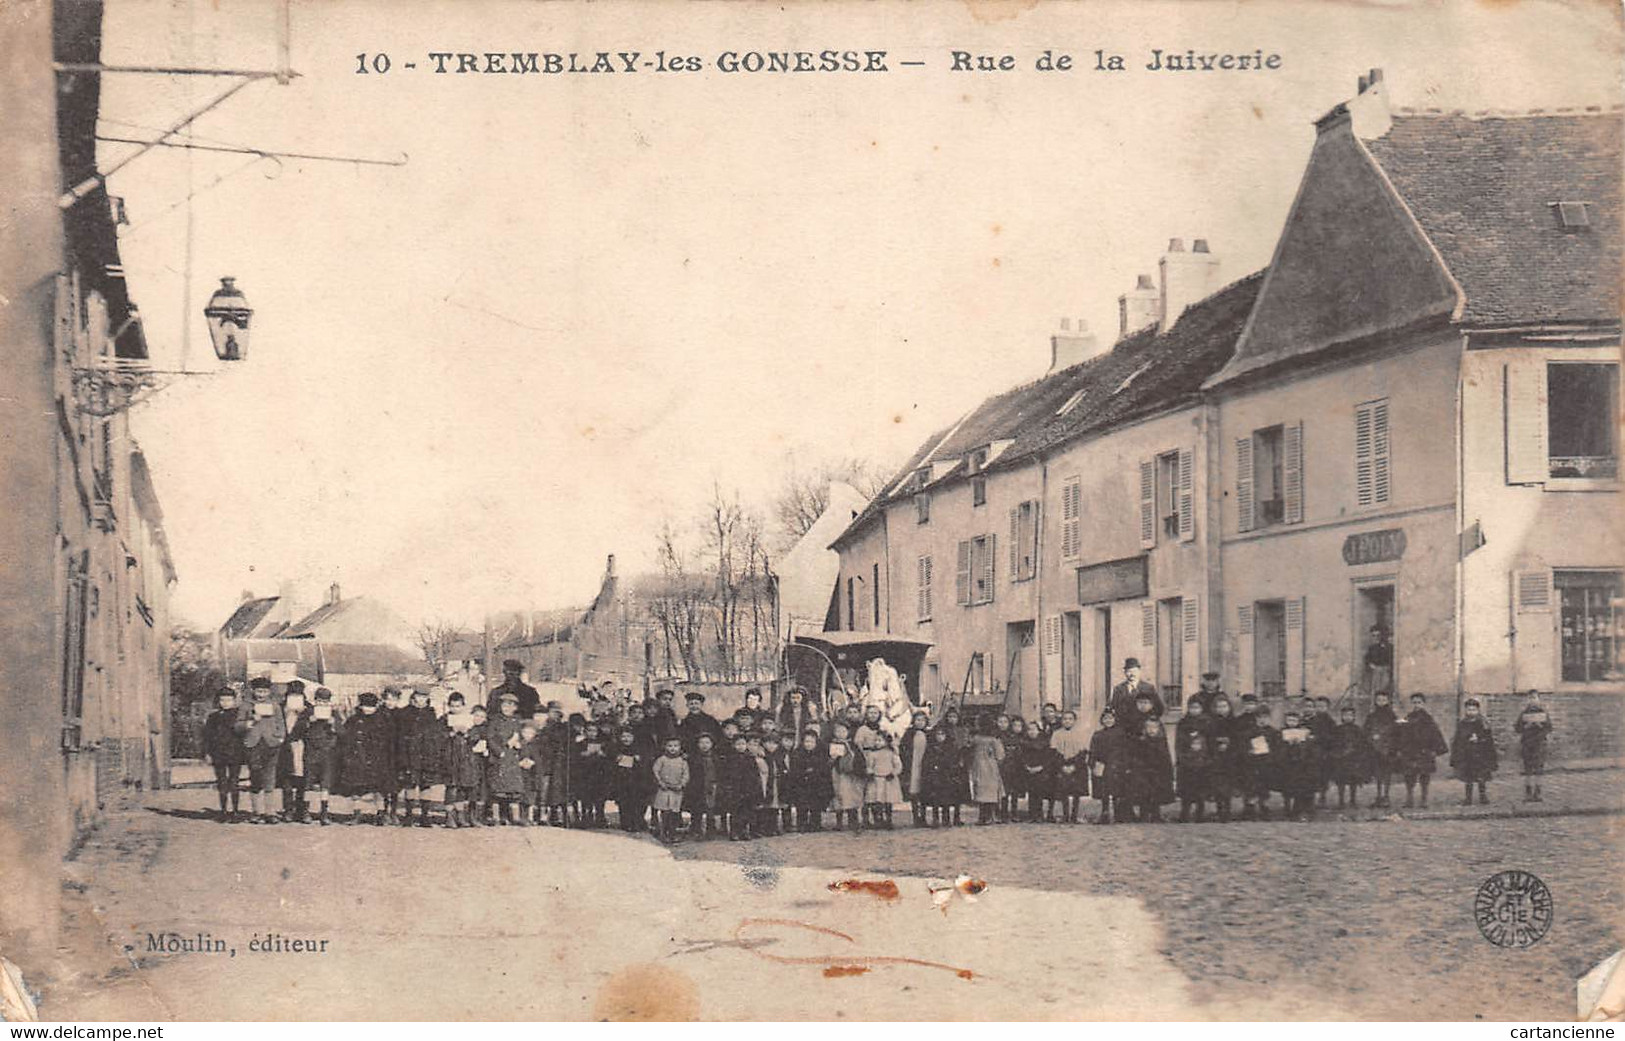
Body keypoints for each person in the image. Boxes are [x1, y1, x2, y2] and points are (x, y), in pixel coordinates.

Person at [336, 692, 394, 825]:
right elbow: (346, 738)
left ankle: (381, 814)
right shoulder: (354, 720)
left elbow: (388, 740)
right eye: (365, 706)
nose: (368, 709)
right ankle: (357, 814)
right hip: (357, 758)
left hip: (377, 759)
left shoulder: (382, 720)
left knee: (379, 788)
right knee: (357, 788)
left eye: (371, 706)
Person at [237, 678, 287, 824]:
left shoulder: (274, 705)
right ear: (253, 691)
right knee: (256, 776)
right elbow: (238, 726)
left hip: (271, 744)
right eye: (259, 691)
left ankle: (269, 812)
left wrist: (280, 738)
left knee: (270, 777)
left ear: (269, 692)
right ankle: (256, 812)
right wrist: (251, 721)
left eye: (265, 691)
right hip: (254, 744)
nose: (261, 694)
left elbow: (280, 723)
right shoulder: (246, 706)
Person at [397, 686, 444, 827]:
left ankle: (425, 815)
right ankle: (409, 815)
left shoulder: (431, 713)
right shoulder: (405, 713)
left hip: (427, 753)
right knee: (410, 784)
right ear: (413, 696)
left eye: (424, 697)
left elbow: (435, 734)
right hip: (410, 753)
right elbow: (401, 735)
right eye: (419, 696)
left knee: (426, 785)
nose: (421, 699)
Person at [1395, 693, 1449, 808]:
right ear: (1411, 704)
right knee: (1409, 776)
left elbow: (1435, 734)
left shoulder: (1428, 719)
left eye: (1419, 702)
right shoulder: (1408, 718)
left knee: (1424, 776)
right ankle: (1409, 799)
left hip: (1425, 751)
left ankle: (1424, 800)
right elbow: (1402, 735)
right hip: (1411, 752)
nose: (1417, 705)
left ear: (1423, 704)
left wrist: (1436, 749)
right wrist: (1400, 748)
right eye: (1414, 703)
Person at [202, 687, 248, 821]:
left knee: (234, 781)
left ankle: (235, 811)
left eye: (229, 700)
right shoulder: (213, 717)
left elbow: (243, 733)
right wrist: (207, 753)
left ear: (234, 701)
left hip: (235, 752)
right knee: (221, 781)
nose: (225, 703)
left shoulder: (239, 715)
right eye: (222, 700)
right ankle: (223, 811)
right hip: (218, 753)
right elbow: (207, 736)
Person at [485, 691, 528, 825]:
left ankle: (514, 817)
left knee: (513, 789)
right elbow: (490, 738)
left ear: (515, 707)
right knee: (498, 790)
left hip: (512, 758)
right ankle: (496, 816)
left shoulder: (517, 721)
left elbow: (522, 736)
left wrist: (519, 743)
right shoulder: (495, 721)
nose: (507, 708)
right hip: (500, 758)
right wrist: (499, 751)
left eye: (511, 706)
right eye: (505, 705)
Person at [1274, 709, 1324, 821]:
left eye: (1294, 720)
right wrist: (1288, 745)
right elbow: (1278, 751)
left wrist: (1301, 744)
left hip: (1302, 765)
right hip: (1287, 765)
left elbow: (1310, 750)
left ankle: (1304, 808)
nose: (1292, 723)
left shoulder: (1304, 732)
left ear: (1298, 721)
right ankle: (1291, 808)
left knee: (1306, 779)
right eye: (1289, 720)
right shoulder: (1281, 733)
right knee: (1290, 780)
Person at [441, 693, 481, 828]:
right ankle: (449, 817)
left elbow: (476, 737)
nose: (455, 709)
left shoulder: (469, 720)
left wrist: (467, 733)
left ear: (463, 706)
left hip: (465, 759)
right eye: (452, 706)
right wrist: (451, 733)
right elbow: (438, 737)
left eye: (458, 706)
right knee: (451, 788)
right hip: (451, 758)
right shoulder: (444, 719)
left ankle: (460, 816)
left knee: (462, 789)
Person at [303, 687, 342, 826]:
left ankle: (324, 813)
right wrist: (309, 721)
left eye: (325, 702)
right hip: (311, 751)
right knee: (308, 782)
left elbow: (342, 732)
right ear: (315, 701)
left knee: (325, 783)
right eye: (319, 701)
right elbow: (299, 729)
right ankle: (306, 812)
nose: (322, 704)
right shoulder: (308, 712)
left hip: (327, 752)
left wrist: (333, 725)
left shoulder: (334, 713)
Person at [1450, 697, 1498, 806]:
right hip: (1467, 755)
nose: (1471, 712)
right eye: (1469, 710)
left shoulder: (1483, 723)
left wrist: (1479, 739)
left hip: (1481, 754)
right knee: (1468, 778)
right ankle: (1468, 798)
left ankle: (1483, 796)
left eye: (1473, 710)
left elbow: (1489, 739)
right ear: (1465, 711)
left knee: (1481, 777)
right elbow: (1458, 739)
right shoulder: (1462, 724)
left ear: (1478, 710)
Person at [1125, 716, 1175, 822]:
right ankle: (1144, 815)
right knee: (1144, 794)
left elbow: (1165, 757)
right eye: (1149, 727)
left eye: (1154, 728)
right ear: (1145, 729)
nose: (1151, 730)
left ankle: (1156, 815)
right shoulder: (1141, 742)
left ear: (1159, 729)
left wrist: (1167, 771)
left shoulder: (1161, 742)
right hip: (1144, 772)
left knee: (1156, 793)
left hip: (1157, 772)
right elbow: (1136, 756)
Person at [1326, 703, 1374, 809]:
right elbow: (1333, 743)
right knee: (1340, 780)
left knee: (1353, 780)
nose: (1348, 717)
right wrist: (1339, 753)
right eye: (1345, 715)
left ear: (1354, 717)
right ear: (1342, 717)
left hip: (1353, 760)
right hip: (1341, 759)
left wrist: (1356, 752)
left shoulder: (1357, 730)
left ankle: (1352, 800)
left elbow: (1362, 744)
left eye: (1350, 715)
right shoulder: (1337, 730)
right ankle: (1341, 801)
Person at [276, 682, 311, 823]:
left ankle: (303, 809)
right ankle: (288, 809)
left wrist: (306, 715)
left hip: (302, 746)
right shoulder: (280, 708)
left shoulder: (309, 709)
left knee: (303, 780)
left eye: (298, 695)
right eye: (292, 695)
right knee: (287, 779)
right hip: (285, 747)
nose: (295, 698)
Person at [1174, 697, 1213, 822]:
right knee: (1186, 790)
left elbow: (1210, 741)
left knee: (1200, 789)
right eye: (1192, 707)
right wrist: (1182, 757)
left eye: (1197, 707)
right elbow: (1179, 743)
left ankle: (1200, 813)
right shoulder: (1183, 723)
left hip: (1202, 761)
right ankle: (1184, 813)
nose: (1194, 710)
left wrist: (1208, 758)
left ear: (1201, 709)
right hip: (1187, 762)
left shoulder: (1207, 722)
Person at [1089, 708, 1128, 824]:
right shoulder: (1098, 735)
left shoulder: (1121, 734)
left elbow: (1124, 751)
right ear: (1102, 720)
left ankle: (1118, 814)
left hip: (1117, 766)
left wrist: (1124, 765)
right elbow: (1093, 751)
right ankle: (1105, 813)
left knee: (1117, 791)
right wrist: (1093, 763)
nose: (1108, 721)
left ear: (1115, 719)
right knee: (1104, 791)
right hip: (1103, 766)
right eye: (1105, 718)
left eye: (1111, 718)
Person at [787, 728, 829, 832]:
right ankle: (802, 824)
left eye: (811, 742)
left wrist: (814, 771)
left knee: (816, 804)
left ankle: (816, 824)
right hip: (802, 783)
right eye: (806, 741)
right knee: (802, 805)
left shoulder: (820, 754)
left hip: (816, 783)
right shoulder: (797, 754)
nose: (808, 744)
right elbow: (795, 769)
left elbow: (823, 768)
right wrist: (805, 772)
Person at [1050, 710, 1089, 824]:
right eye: (1065, 719)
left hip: (1076, 766)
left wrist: (1074, 766)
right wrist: (1062, 766)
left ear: (1074, 721)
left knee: (1076, 792)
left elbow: (1083, 752)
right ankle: (1065, 814)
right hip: (1062, 765)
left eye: (1070, 719)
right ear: (1061, 721)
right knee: (1064, 791)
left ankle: (1074, 815)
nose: (1067, 721)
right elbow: (1054, 751)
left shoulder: (1081, 733)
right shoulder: (1056, 734)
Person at [1514, 690, 1553, 802]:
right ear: (1527, 700)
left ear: (1539, 700)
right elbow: (1517, 728)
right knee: (1528, 769)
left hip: (1539, 744)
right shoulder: (1524, 713)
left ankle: (1538, 792)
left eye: (1535, 698)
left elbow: (1549, 728)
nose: (1532, 700)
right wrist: (1527, 726)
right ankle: (1528, 792)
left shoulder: (1544, 713)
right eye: (1530, 698)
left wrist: (1540, 725)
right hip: (1527, 744)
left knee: (1539, 769)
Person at [967, 716, 1006, 825]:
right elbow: (1000, 755)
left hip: (979, 767)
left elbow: (969, 749)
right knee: (991, 792)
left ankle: (983, 816)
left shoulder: (976, 739)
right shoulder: (994, 739)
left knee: (980, 791)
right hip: (991, 767)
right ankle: (991, 816)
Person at [1206, 697, 1240, 823]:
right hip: (1216, 757)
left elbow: (1238, 738)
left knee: (1228, 784)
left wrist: (1229, 744)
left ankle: (1227, 811)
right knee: (1218, 785)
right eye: (1219, 707)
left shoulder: (1234, 722)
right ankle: (1220, 810)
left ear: (1229, 707)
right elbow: (1208, 738)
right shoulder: (1211, 722)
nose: (1222, 709)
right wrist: (1217, 744)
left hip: (1230, 757)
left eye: (1224, 706)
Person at [1364, 690, 1400, 807]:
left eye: (1384, 700)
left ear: (1388, 701)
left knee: (1387, 773)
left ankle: (1386, 796)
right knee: (1378, 773)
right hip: (1375, 749)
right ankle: (1379, 795)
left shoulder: (1392, 716)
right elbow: (1366, 731)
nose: (1381, 702)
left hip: (1388, 749)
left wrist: (1388, 742)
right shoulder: (1371, 716)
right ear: (1375, 701)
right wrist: (1371, 738)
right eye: (1379, 700)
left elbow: (1396, 732)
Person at [828, 720, 866, 832]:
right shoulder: (833, 745)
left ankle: (853, 821)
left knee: (851, 796)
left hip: (850, 775)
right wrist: (833, 759)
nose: (841, 733)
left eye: (843, 731)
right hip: (838, 774)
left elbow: (859, 758)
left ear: (848, 732)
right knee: (838, 795)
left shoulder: (852, 745)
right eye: (838, 731)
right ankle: (839, 822)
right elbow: (829, 762)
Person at [685, 731, 724, 839]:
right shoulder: (693, 758)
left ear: (712, 744)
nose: (704, 745)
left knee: (710, 809)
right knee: (696, 809)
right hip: (697, 786)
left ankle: (710, 830)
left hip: (712, 786)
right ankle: (696, 829)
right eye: (701, 742)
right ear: (697, 744)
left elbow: (719, 772)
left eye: (707, 742)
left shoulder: (716, 758)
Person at [651, 737, 689, 843]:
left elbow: (686, 774)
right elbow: (655, 771)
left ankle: (673, 833)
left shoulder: (682, 761)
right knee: (665, 812)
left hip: (676, 790)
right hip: (664, 789)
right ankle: (664, 833)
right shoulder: (662, 759)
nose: (673, 748)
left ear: (680, 747)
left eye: (675, 746)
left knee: (674, 812)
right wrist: (660, 783)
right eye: (670, 746)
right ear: (665, 747)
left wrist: (681, 784)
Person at [1019, 719, 1058, 822]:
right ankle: (1032, 815)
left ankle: (1040, 814)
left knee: (1040, 793)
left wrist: (1041, 767)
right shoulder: (1024, 743)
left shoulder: (1044, 743)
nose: (1031, 732)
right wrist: (1026, 766)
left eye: (1034, 729)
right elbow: (1022, 757)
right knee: (1031, 793)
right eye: (1029, 730)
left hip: (1041, 771)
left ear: (1038, 731)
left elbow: (1048, 758)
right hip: (1029, 771)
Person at [1109, 658, 1164, 726]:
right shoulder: (1118, 689)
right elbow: (1114, 708)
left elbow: (1159, 708)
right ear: (1125, 672)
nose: (1132, 674)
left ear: (1139, 671)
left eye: (1134, 671)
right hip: (1124, 728)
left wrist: (1150, 720)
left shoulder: (1148, 688)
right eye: (1129, 671)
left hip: (1143, 728)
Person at [899, 709, 931, 827]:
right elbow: (903, 748)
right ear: (913, 721)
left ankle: (923, 816)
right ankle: (915, 817)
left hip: (924, 766)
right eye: (918, 720)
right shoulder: (908, 734)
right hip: (912, 765)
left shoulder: (929, 734)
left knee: (923, 792)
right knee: (913, 792)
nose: (920, 722)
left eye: (923, 720)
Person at [1307, 696, 1336, 807]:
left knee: (1324, 776)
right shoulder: (1311, 720)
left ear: (1328, 707)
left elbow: (1333, 737)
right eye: (1318, 706)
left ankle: (1322, 797)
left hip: (1325, 752)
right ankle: (1312, 798)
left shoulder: (1330, 722)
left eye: (1323, 706)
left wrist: (1318, 738)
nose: (1320, 709)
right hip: (1312, 753)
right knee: (1313, 775)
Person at [758, 732, 789, 836]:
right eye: (768, 743)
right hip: (767, 783)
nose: (771, 746)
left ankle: (774, 826)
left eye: (774, 744)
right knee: (766, 807)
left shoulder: (780, 755)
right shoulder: (762, 756)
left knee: (775, 807)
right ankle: (765, 828)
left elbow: (784, 768)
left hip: (777, 783)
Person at [1364, 626, 1394, 696]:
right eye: (1373, 636)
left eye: (1378, 635)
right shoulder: (1371, 648)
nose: (1376, 638)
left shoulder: (1389, 647)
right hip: (1375, 673)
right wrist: (1371, 665)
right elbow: (1367, 659)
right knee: (1375, 691)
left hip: (1385, 671)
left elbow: (1390, 660)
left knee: (1384, 689)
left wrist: (1387, 668)